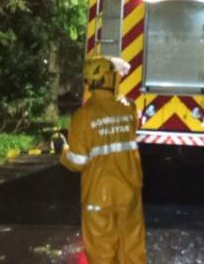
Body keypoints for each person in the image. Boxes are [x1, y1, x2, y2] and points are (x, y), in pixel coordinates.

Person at [60, 56, 146, 264]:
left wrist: (63, 150)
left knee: (101, 252)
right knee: (132, 248)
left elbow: (78, 161)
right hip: (128, 193)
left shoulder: (82, 116)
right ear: (110, 79)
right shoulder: (129, 108)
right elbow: (133, 125)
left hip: (97, 196)